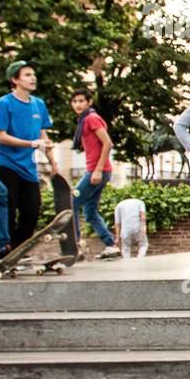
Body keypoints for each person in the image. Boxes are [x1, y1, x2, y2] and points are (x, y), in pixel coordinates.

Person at [0, 62, 60, 249]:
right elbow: (1, 137)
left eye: (33, 74)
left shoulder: (39, 104)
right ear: (15, 80)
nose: (33, 78)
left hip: (28, 167)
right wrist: (31, 144)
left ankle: (19, 250)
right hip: (7, 164)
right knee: (8, 208)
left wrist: (53, 163)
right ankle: (5, 247)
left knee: (32, 209)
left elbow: (42, 136)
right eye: (27, 75)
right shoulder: (3, 104)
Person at [69, 88, 120, 257]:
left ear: (89, 102)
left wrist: (97, 170)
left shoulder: (91, 118)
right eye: (74, 101)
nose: (77, 104)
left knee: (72, 203)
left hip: (97, 170)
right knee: (90, 212)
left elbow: (107, 143)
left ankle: (75, 247)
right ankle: (111, 245)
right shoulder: (84, 120)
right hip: (97, 170)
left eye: (81, 101)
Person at [113, 194, 148, 258]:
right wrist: (143, 226)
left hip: (125, 229)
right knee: (143, 244)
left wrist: (117, 238)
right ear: (132, 197)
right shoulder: (139, 202)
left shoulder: (119, 205)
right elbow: (142, 215)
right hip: (137, 227)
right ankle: (140, 258)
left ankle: (127, 263)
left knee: (125, 247)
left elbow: (117, 223)